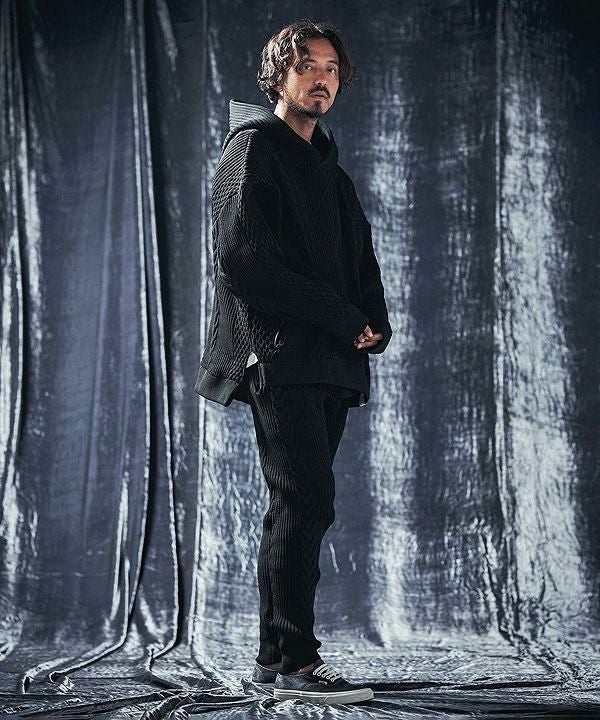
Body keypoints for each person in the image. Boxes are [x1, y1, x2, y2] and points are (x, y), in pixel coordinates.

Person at [194, 19, 392, 705]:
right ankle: (298, 665)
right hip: (278, 357)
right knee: (303, 500)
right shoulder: (251, 149)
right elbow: (241, 261)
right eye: (306, 66)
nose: (321, 79)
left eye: (331, 68)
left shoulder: (331, 174)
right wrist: (340, 316)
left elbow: (361, 262)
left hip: (329, 361)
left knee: (301, 506)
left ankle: (274, 658)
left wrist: (374, 323)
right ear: (278, 76)